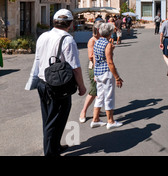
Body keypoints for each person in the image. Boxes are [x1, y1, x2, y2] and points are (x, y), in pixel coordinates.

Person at [25, 9, 86, 156]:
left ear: (53, 22)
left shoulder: (43, 36)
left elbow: (38, 60)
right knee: (56, 119)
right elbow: (75, 67)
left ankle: (54, 146)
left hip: (42, 82)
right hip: (58, 85)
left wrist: (33, 80)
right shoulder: (67, 40)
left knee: (49, 118)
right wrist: (82, 87)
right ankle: (50, 152)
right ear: (70, 24)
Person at [91, 22, 124, 130]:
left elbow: (96, 58)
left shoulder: (97, 42)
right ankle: (110, 121)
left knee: (100, 96)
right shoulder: (107, 44)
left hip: (98, 72)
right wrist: (117, 77)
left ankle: (95, 119)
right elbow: (109, 62)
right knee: (109, 96)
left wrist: (95, 73)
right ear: (110, 33)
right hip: (106, 72)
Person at [79, 20, 104, 123]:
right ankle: (83, 111)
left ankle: (97, 110)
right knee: (94, 91)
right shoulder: (92, 40)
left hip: (102, 67)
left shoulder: (102, 39)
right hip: (94, 68)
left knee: (100, 90)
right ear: (98, 30)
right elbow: (90, 56)